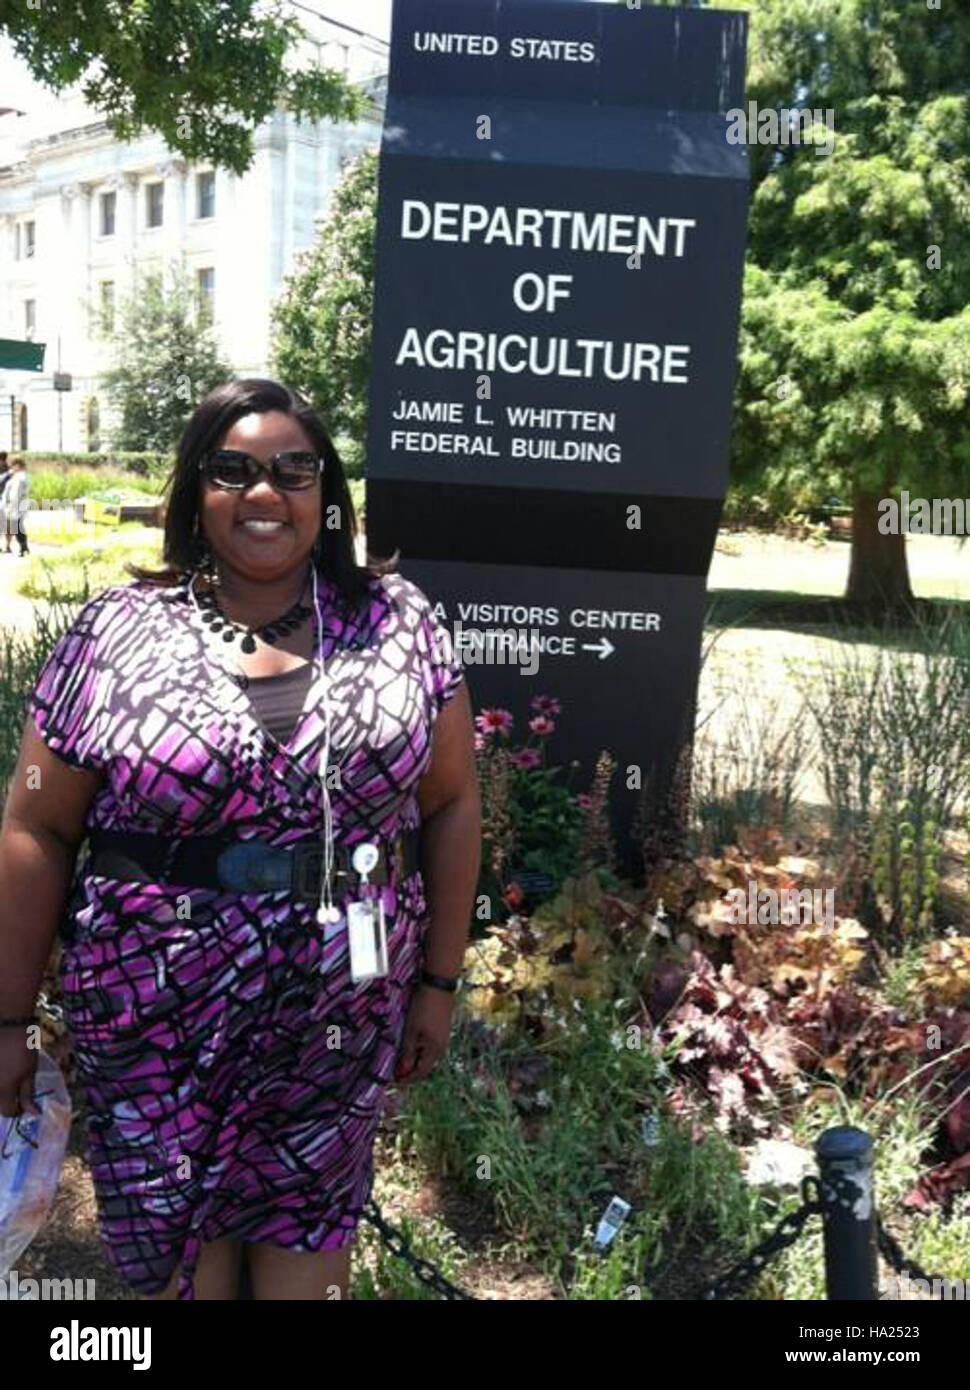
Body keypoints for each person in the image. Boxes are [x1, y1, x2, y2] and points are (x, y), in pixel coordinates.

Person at [0, 378, 481, 1301]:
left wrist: (440, 983)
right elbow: (37, 823)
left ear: (328, 498)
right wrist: (5, 1015)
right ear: (195, 494)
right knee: (179, 1268)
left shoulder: (399, 623)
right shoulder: (117, 632)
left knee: (307, 1250)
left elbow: (452, 806)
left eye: (295, 470)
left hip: (337, 1012)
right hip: (150, 1011)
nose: (267, 493)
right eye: (234, 470)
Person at [3, 457, 30, 556]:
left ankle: (23, 547)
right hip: (18, 504)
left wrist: (11, 506)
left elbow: (16, 492)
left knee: (17, 527)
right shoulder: (21, 476)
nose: (12, 468)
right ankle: (24, 547)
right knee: (18, 526)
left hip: (16, 504)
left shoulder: (20, 477)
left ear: (17, 466)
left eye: (13, 466)